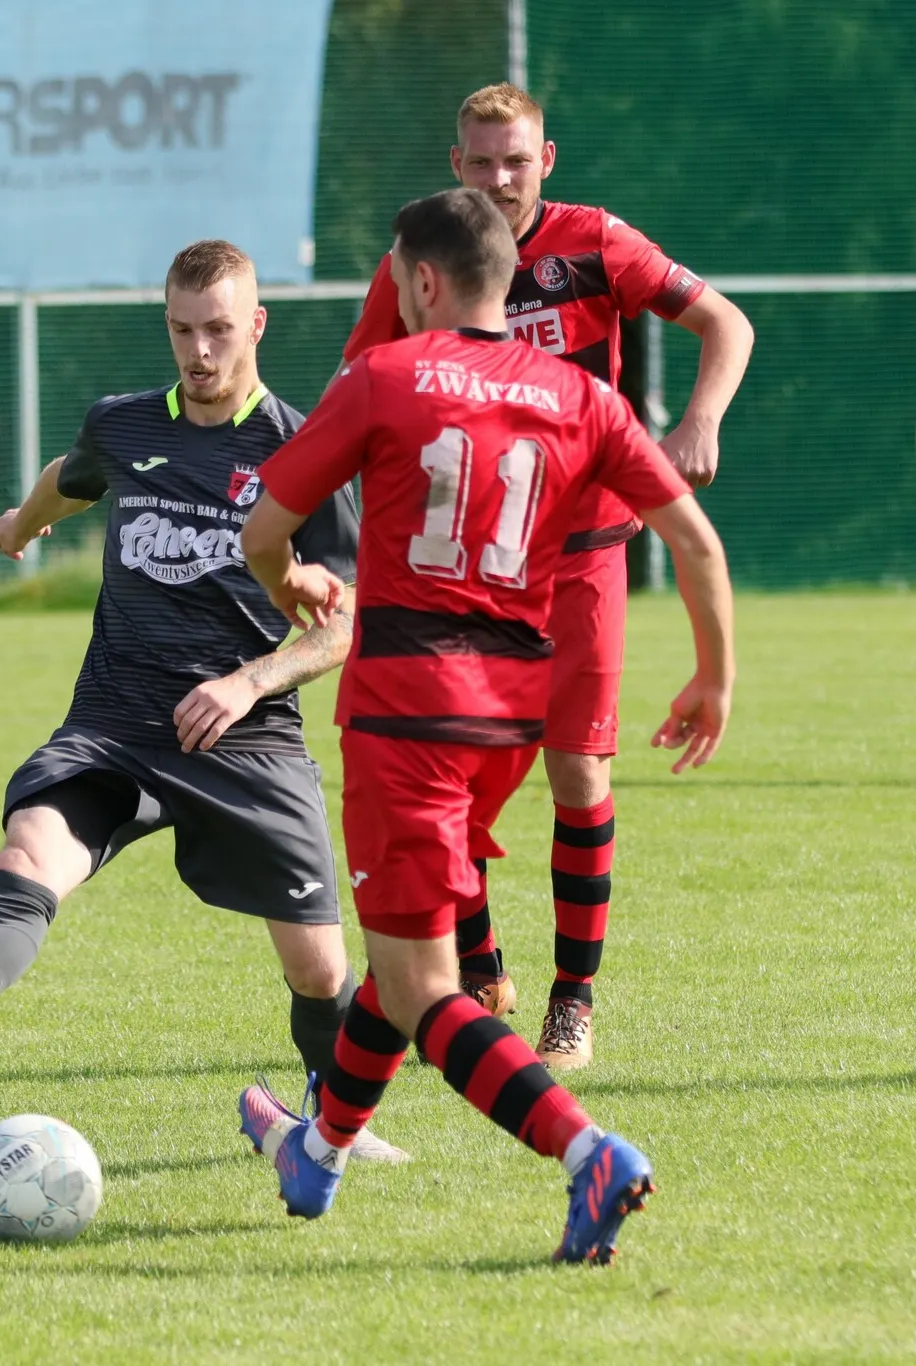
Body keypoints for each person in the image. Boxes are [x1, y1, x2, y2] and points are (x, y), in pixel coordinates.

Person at [0, 240, 402, 1162]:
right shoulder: (125, 425)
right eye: (182, 331)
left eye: (219, 330)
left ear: (257, 325)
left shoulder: (303, 449)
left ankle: (337, 1129)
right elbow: (74, 475)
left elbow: (346, 622)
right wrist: (20, 524)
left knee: (319, 969)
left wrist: (248, 682)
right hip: (116, 721)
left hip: (248, 738)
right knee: (28, 852)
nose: (199, 352)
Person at [236, 187, 734, 1263]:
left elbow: (264, 530)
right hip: (508, 718)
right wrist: (712, 676)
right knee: (400, 954)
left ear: (421, 281)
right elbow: (696, 541)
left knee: (424, 988)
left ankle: (587, 1151)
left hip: (403, 714)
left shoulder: (383, 375)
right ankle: (317, 1153)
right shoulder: (579, 394)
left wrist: (291, 585)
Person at [339, 83, 755, 1069]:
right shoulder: (420, 261)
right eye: (481, 162)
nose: (499, 179)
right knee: (443, 776)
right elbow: (356, 390)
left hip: (580, 555)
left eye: (515, 160)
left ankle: (573, 997)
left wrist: (698, 420)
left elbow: (726, 324)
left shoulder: (595, 243)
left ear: (547, 159)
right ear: (455, 165)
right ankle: (480, 962)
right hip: (464, 573)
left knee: (577, 772)